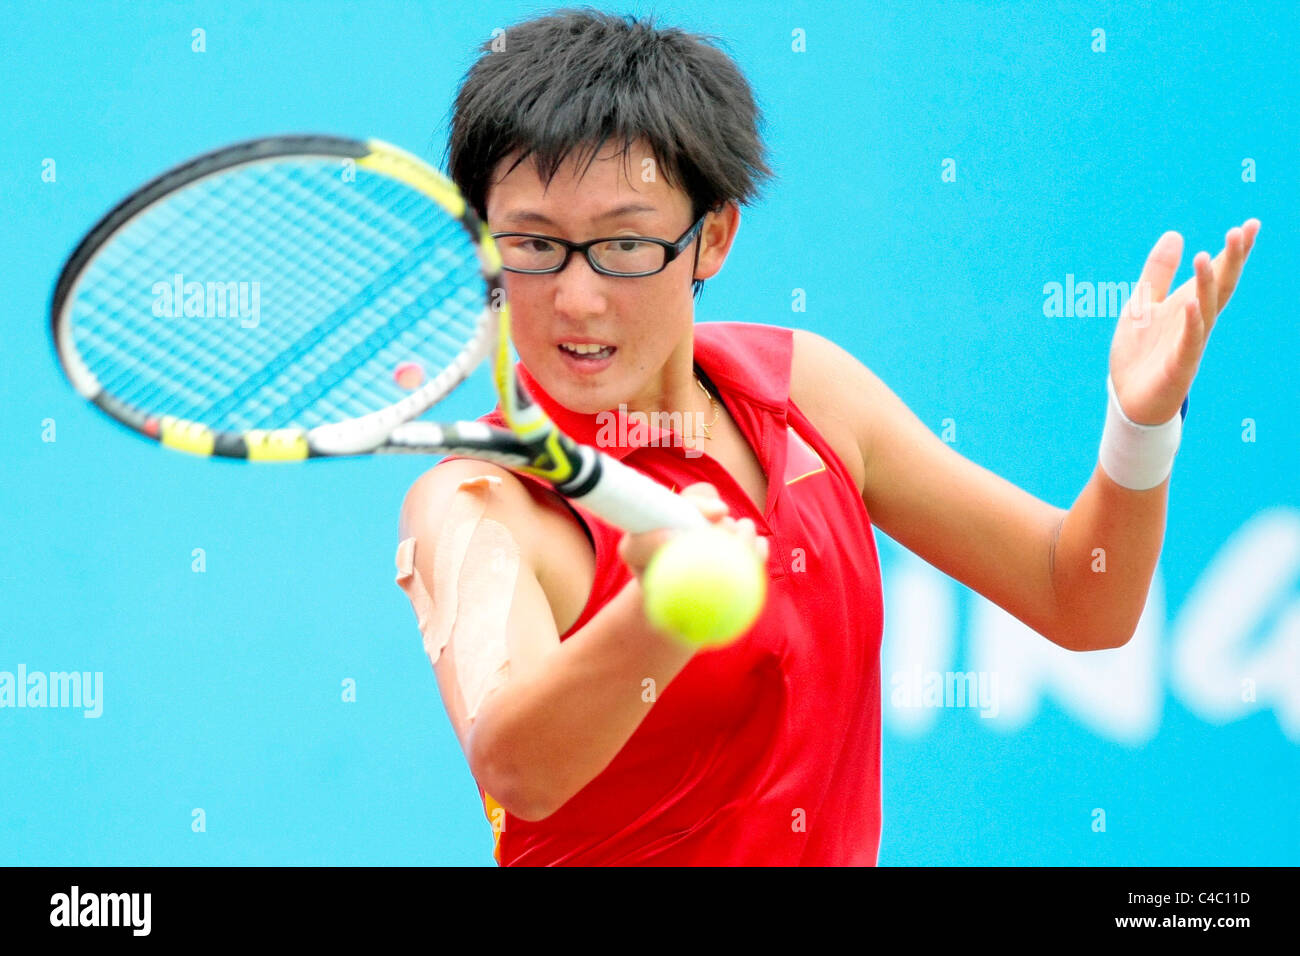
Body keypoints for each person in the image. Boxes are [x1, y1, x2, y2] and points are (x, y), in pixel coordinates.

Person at [394, 9, 1258, 866]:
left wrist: (1140, 428)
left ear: (712, 238)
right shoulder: (477, 502)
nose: (577, 298)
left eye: (625, 243)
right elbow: (519, 768)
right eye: (532, 243)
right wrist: (658, 617)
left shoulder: (807, 392)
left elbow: (1082, 600)